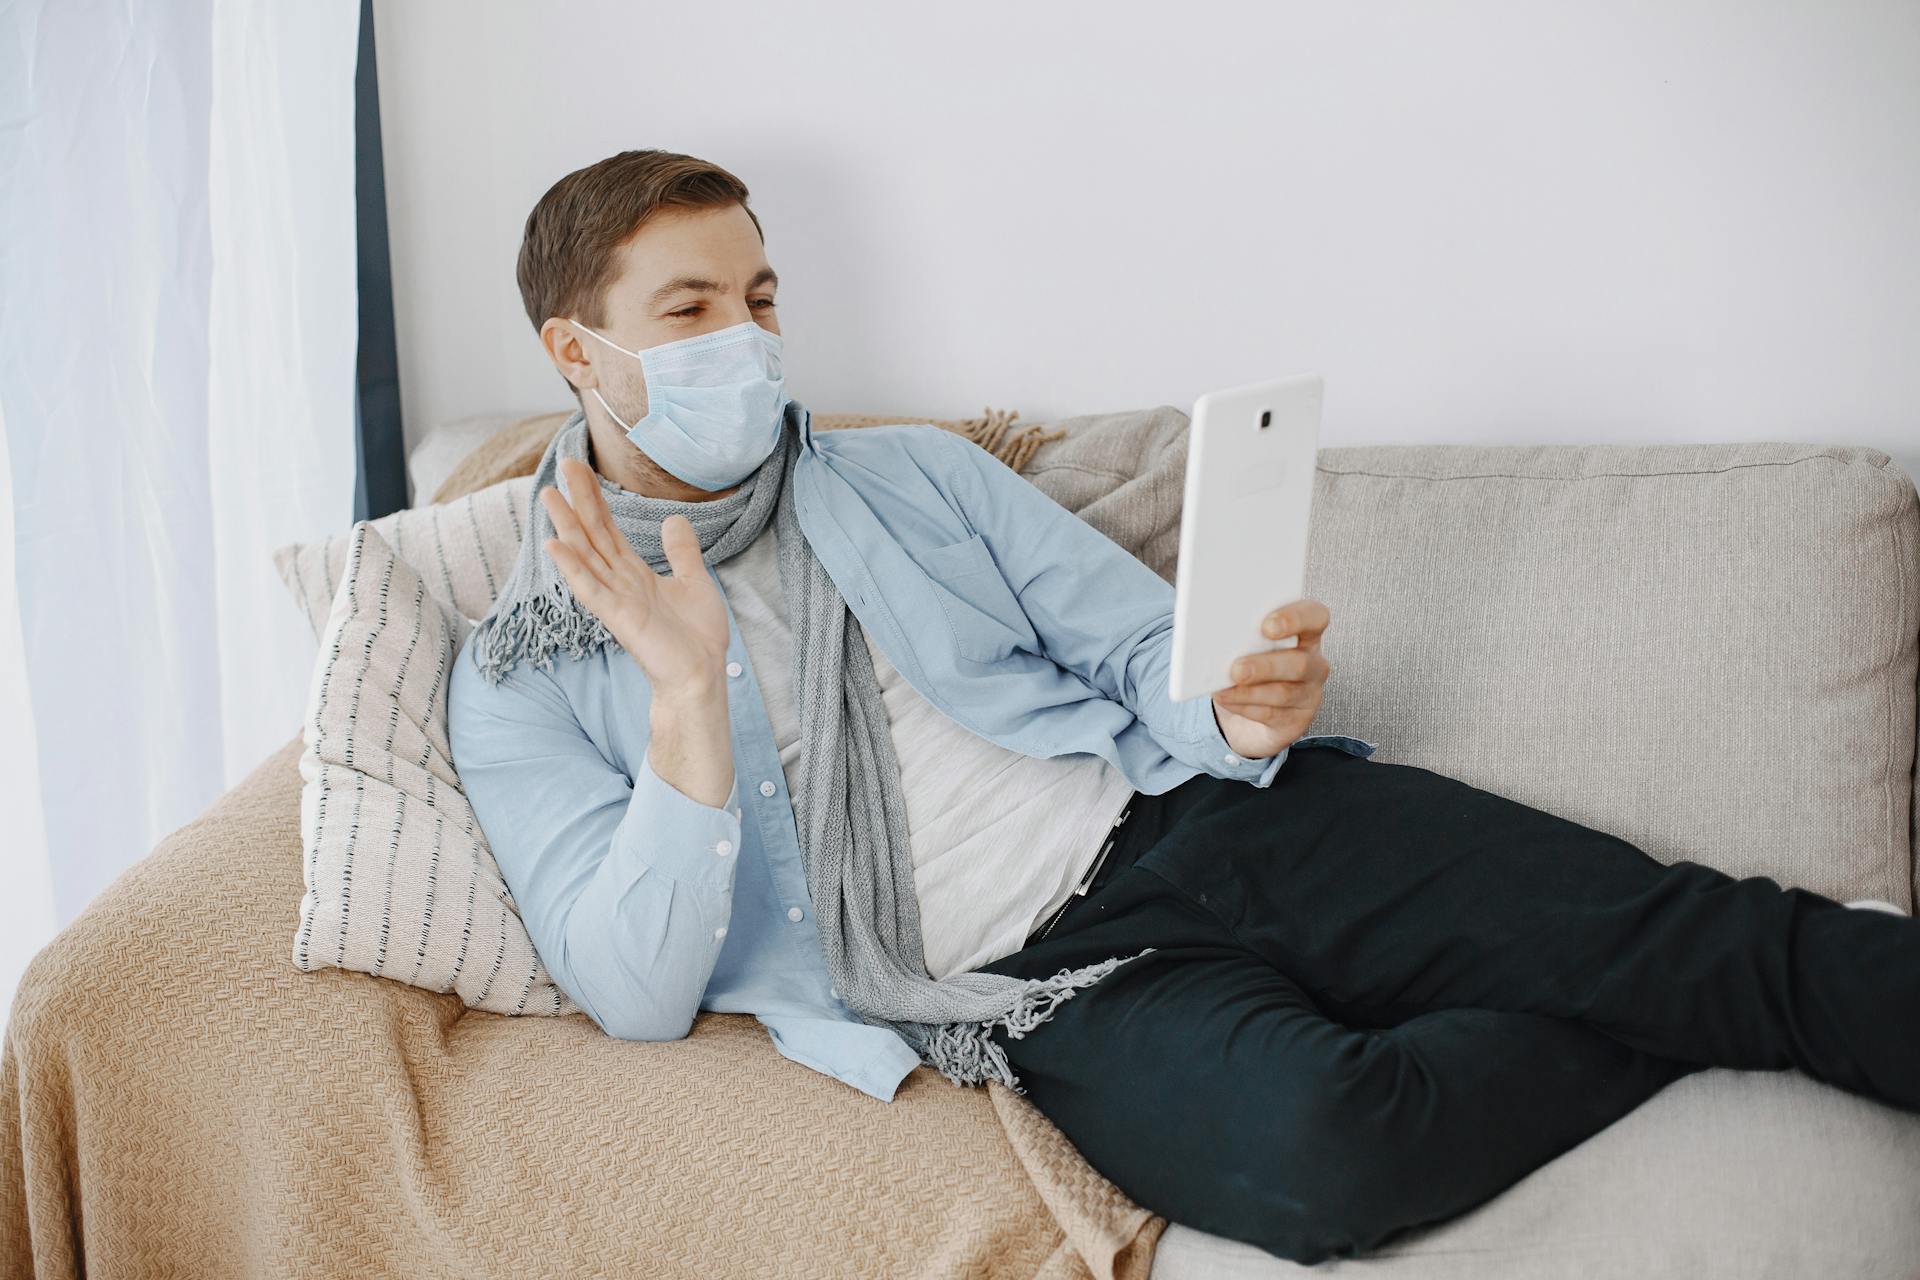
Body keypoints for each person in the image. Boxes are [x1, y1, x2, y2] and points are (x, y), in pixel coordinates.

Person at [446, 148, 1920, 1266]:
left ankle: (1674, 979)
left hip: (1207, 818)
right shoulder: (523, 668)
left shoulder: (915, 480)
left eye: (760, 298)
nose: (749, 341)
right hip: (1050, 981)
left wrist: (1235, 705)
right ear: (578, 351)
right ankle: (1649, 999)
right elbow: (633, 992)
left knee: (1711, 936)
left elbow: (1136, 651)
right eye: (692, 308)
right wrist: (690, 696)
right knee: (1329, 1157)